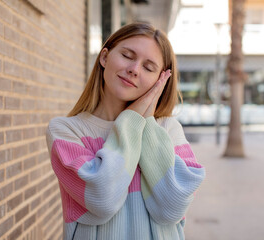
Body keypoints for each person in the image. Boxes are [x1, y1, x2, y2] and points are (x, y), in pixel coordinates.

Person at [46, 22, 205, 240]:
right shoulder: (66, 130)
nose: (134, 69)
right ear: (104, 57)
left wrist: (146, 122)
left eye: (148, 68)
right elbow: (103, 200)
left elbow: (172, 208)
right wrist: (132, 119)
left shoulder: (168, 130)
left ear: (160, 81)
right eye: (127, 56)